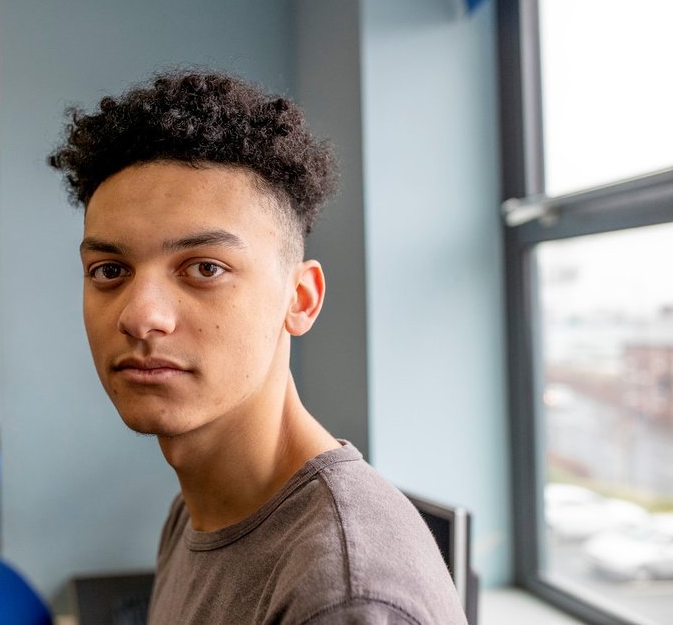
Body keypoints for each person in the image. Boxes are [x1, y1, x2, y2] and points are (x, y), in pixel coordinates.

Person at [48, 71, 467, 624]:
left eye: (204, 268)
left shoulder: (347, 599)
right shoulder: (195, 512)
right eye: (109, 269)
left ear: (300, 299)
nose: (139, 315)